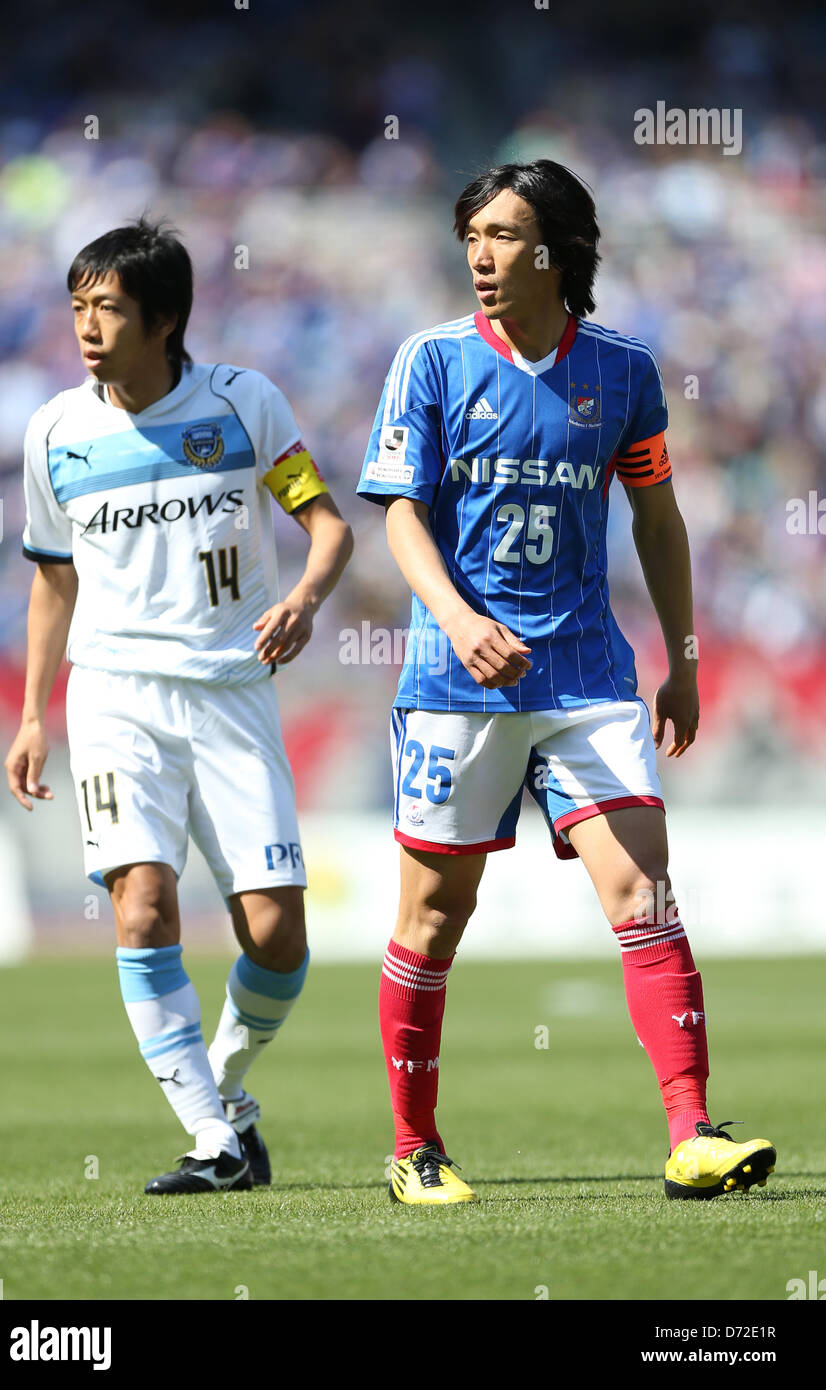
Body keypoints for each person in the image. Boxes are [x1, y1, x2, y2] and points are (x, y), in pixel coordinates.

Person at [357, 160, 775, 1205]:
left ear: (558, 249)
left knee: (642, 892)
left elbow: (655, 518)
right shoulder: (433, 362)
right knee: (433, 918)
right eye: (472, 237)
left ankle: (691, 1133)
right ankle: (414, 1146)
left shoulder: (623, 371)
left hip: (587, 674)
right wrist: (456, 621)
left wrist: (679, 661)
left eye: (503, 235)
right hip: (457, 684)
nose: (481, 256)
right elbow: (400, 511)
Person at [6, 217, 352, 1194]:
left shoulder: (244, 407)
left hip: (232, 692)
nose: (85, 325)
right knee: (143, 905)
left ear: (164, 319)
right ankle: (208, 1135)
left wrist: (304, 597)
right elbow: (51, 582)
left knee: (276, 933)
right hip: (112, 695)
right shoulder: (55, 434)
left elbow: (324, 526)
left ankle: (230, 1095)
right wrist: (34, 711)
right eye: (76, 306)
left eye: (107, 308)